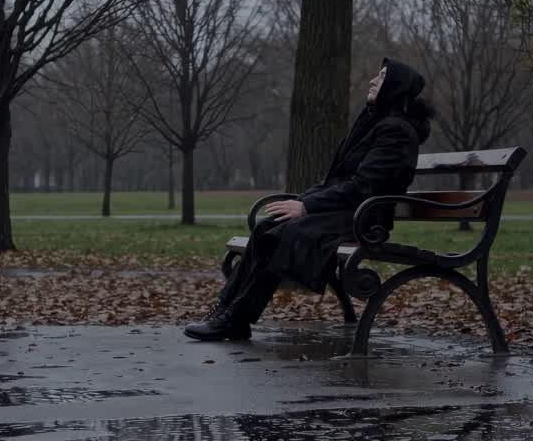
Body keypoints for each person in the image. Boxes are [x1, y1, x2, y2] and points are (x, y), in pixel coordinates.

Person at [184, 57, 434, 341]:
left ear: (395, 87)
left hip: (364, 218)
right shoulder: (376, 123)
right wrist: (305, 200)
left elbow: (364, 186)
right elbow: (339, 181)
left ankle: (235, 318)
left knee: (284, 233)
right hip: (348, 211)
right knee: (269, 227)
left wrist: (307, 205)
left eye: (383, 77)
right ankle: (226, 311)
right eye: (376, 75)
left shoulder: (396, 131)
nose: (373, 80)